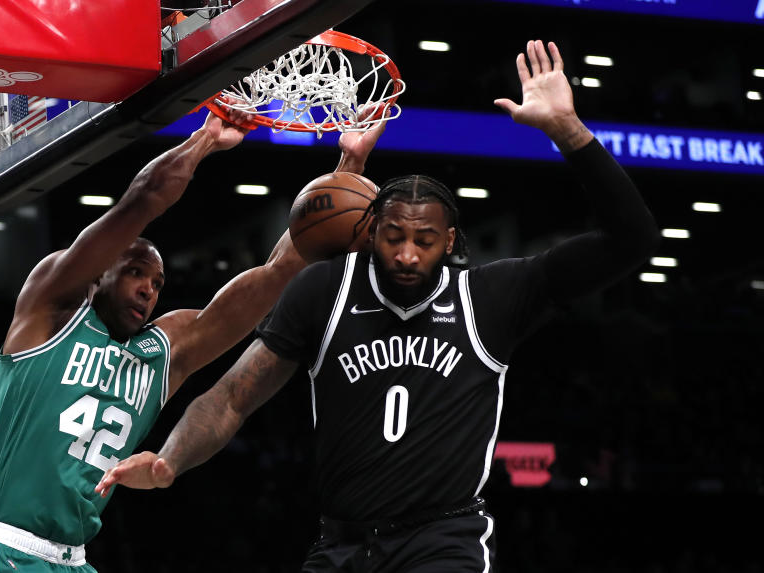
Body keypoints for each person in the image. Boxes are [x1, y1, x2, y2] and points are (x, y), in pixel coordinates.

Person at [96, 40, 660, 571]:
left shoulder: (492, 295)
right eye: (393, 236)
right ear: (370, 233)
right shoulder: (324, 291)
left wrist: (568, 130)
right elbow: (232, 398)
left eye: (424, 240)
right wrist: (170, 462)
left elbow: (632, 240)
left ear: (452, 242)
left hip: (443, 541)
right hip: (341, 545)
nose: (408, 254)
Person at [0, 106, 386, 572]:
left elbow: (276, 272)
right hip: (2, 548)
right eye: (135, 272)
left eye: (157, 283)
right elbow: (144, 198)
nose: (147, 289)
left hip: (73, 560)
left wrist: (348, 170)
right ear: (100, 273)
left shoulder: (164, 353)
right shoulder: (51, 311)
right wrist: (205, 139)